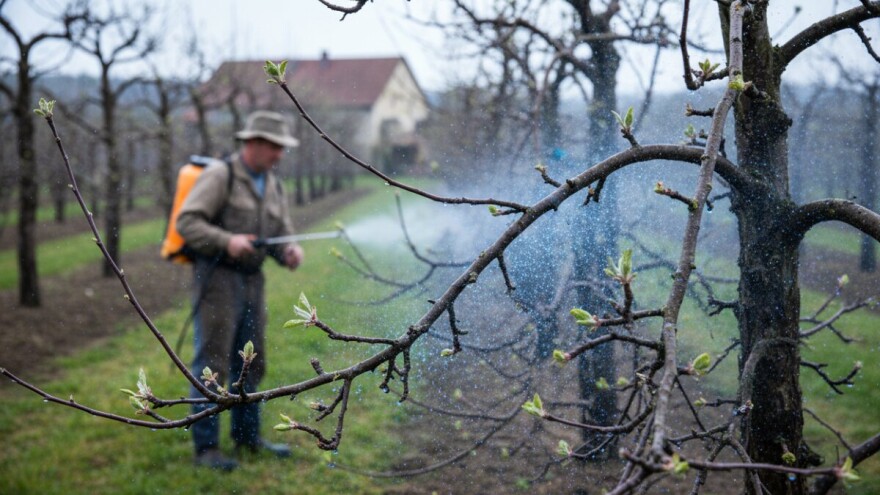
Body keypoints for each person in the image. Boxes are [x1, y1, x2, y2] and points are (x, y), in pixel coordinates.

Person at [176, 110, 305, 471]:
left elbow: (280, 233)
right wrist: (227, 240)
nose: (280, 155)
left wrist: (289, 251)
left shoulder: (273, 184)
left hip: (253, 280)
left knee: (251, 361)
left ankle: (248, 438)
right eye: (275, 147)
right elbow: (187, 222)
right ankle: (207, 449)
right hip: (217, 280)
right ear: (254, 143)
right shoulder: (221, 175)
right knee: (213, 364)